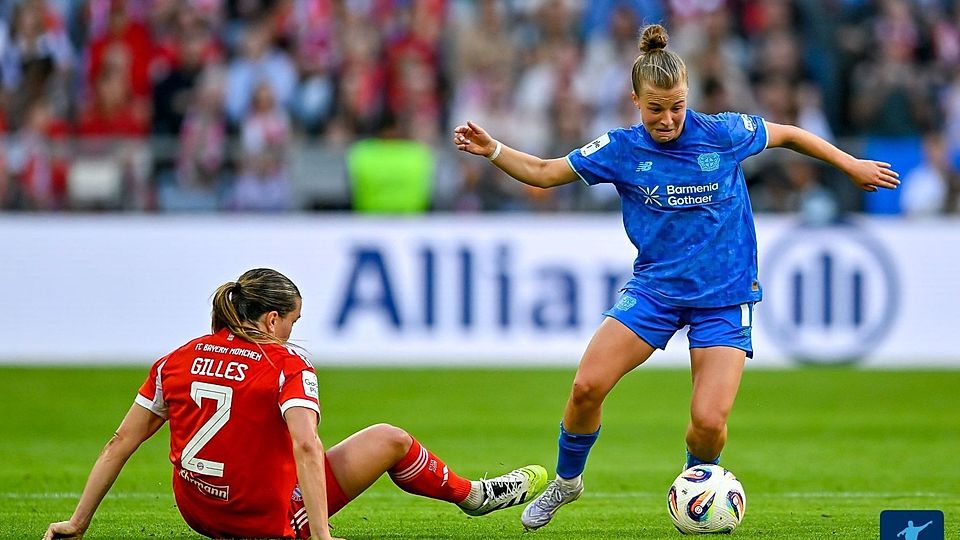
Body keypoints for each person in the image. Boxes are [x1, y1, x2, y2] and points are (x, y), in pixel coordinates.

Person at [452, 24, 899, 531]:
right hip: (655, 292)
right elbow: (542, 171)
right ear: (635, 100)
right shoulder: (620, 149)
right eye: (655, 108)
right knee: (585, 388)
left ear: (688, 98)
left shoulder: (725, 133)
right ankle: (567, 483)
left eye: (677, 106)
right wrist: (493, 150)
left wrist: (850, 164)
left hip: (724, 297)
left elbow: (790, 135)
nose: (667, 119)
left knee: (708, 424)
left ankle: (696, 487)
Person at [44, 268, 547, 540]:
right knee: (391, 439)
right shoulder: (286, 364)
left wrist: (78, 522)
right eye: (292, 320)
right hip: (263, 521)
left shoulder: (175, 359)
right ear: (268, 320)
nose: (292, 332)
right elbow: (307, 446)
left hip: (197, 513)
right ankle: (473, 497)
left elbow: (118, 443)